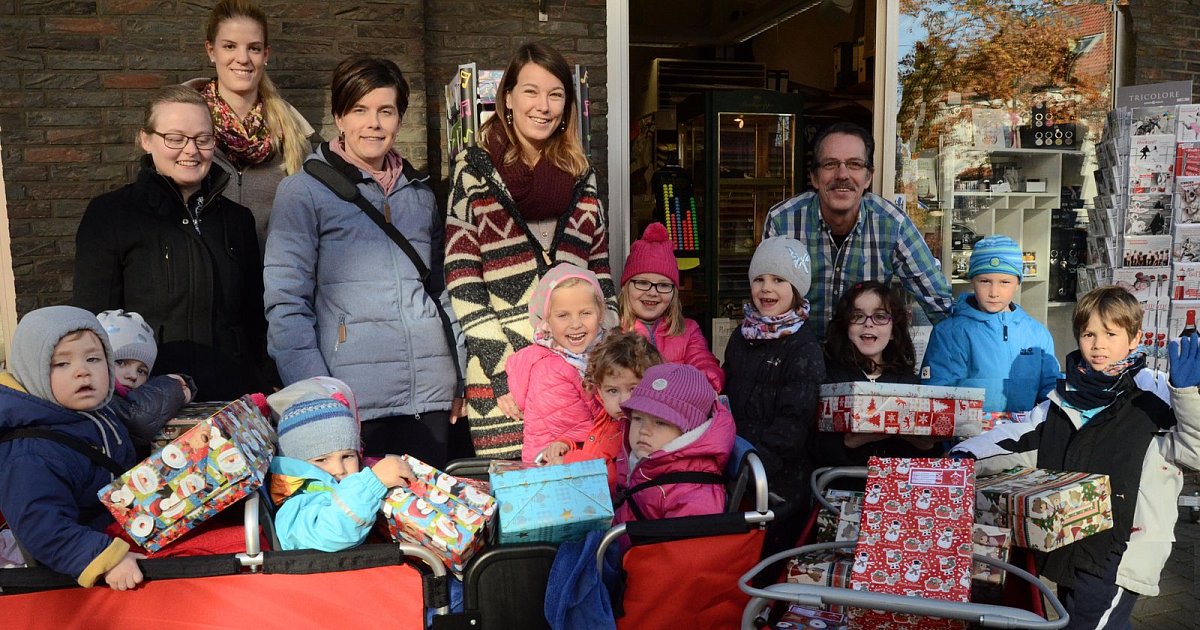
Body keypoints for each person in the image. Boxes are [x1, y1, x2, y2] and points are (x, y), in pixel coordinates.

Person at [953, 286, 1200, 629]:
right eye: (1089, 334)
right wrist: (964, 455)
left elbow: (1195, 448)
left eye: (1111, 334)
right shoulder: (1063, 396)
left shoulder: (1156, 394)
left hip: (1123, 545)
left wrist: (1186, 395)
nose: (1098, 344)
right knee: (1089, 616)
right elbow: (1018, 439)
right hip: (1071, 538)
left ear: (1134, 338)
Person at [264, 55, 464, 468]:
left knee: (432, 523)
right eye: (360, 110)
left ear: (398, 119)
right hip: (352, 404)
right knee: (360, 528)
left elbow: (442, 293)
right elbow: (286, 305)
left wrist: (459, 375)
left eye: (385, 111)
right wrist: (319, 398)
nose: (373, 123)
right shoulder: (302, 193)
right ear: (339, 116)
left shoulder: (421, 195)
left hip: (430, 395)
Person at [445, 41, 616, 459]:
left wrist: (606, 349)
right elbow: (463, 281)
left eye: (555, 94)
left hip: (579, 381)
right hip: (501, 387)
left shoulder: (582, 174)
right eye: (531, 91)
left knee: (581, 504)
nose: (543, 105)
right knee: (516, 510)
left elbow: (601, 274)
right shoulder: (474, 169)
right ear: (508, 97)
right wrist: (504, 373)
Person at [73, 85, 268, 401]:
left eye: (202, 139)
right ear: (147, 140)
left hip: (230, 400)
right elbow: (91, 321)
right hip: (147, 401)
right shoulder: (111, 215)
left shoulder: (237, 220)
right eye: (175, 139)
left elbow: (254, 318)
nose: (190, 150)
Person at [762, 122, 952, 339]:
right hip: (796, 360)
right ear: (814, 177)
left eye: (854, 164)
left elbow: (940, 304)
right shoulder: (783, 221)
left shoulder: (892, 224)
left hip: (864, 362)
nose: (842, 174)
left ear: (868, 177)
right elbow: (766, 304)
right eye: (830, 164)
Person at [0, 306, 142, 589]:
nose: (82, 371)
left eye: (93, 358)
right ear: (33, 372)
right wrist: (105, 557)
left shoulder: (97, 416)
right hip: (74, 567)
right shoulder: (32, 451)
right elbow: (42, 527)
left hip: (124, 527)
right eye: (61, 364)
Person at [187, 0, 319, 251]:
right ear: (211, 50)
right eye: (229, 46)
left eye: (254, 48)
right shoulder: (182, 127)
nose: (243, 58)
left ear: (266, 55)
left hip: (273, 283)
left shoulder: (293, 133)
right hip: (203, 281)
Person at [722, 236, 824, 554]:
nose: (767, 288)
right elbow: (728, 393)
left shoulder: (802, 346)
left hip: (780, 480)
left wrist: (760, 463)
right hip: (738, 467)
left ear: (795, 289)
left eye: (778, 280)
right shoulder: (742, 335)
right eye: (760, 279)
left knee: (771, 555)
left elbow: (796, 418)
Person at [921, 235, 1059, 414]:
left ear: (1018, 283)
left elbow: (1050, 390)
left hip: (1025, 436)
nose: (994, 292)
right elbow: (937, 393)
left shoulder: (1037, 334)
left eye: (1005, 282)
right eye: (985, 281)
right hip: (969, 438)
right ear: (972, 280)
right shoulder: (950, 332)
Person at [268, 387, 415, 552]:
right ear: (297, 465)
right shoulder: (295, 501)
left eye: (347, 456)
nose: (339, 469)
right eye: (321, 459)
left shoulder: (357, 481)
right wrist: (371, 483)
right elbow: (331, 534)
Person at [814, 281, 939, 470]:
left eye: (880, 316)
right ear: (845, 326)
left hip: (895, 492)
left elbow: (926, 458)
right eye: (857, 316)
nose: (868, 323)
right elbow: (814, 448)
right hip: (839, 490)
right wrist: (852, 441)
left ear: (893, 332)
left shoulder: (909, 383)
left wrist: (925, 444)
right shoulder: (829, 378)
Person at [506, 264, 609, 466]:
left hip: (582, 460)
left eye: (585, 313)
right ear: (546, 321)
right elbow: (577, 429)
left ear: (601, 313)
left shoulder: (598, 354)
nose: (576, 323)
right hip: (554, 469)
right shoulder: (549, 370)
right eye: (563, 315)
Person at [537, 330, 663, 491]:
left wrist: (569, 460)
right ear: (599, 391)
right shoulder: (609, 418)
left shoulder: (641, 429)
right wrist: (568, 446)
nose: (623, 401)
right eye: (612, 391)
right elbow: (596, 452)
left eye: (633, 389)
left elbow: (615, 478)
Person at [613, 363, 735, 524]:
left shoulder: (693, 495)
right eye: (637, 418)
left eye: (660, 423)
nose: (644, 430)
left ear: (689, 431)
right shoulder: (641, 457)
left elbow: (680, 548)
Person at [618, 222, 723, 391]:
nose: (652, 292)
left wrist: (704, 384)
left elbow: (703, 362)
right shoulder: (614, 330)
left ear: (674, 292)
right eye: (643, 283)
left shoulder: (688, 330)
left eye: (663, 285)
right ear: (626, 287)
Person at [96, 309, 195, 457]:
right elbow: (138, 419)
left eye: (142, 371)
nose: (133, 375)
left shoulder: (133, 393)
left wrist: (180, 385)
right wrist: (174, 388)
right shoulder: (100, 399)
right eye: (121, 362)